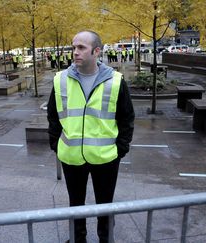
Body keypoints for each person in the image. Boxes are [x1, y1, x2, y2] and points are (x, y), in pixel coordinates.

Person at [47, 30, 135, 243]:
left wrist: (120, 149)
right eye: (73, 47)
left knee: (105, 204)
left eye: (81, 48)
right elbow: (53, 116)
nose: (75, 52)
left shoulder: (115, 81)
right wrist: (56, 145)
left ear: (97, 51)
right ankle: (78, 239)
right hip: (71, 156)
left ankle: (106, 239)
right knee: (75, 204)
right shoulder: (60, 80)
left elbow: (127, 118)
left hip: (106, 157)